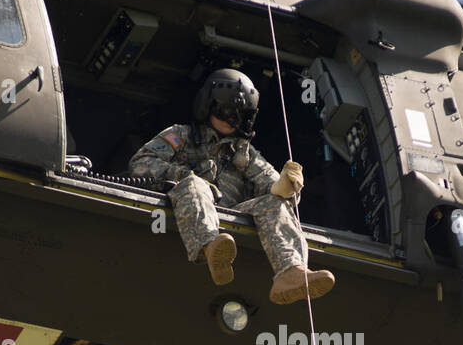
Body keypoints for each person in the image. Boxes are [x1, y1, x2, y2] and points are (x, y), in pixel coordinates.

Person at [128, 69, 335, 304]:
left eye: (238, 116)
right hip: (185, 208)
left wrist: (286, 188)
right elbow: (141, 164)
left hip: (231, 215)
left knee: (275, 202)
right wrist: (187, 176)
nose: (230, 119)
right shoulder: (181, 135)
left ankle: (291, 272)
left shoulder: (245, 152)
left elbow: (272, 186)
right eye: (225, 111)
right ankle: (211, 247)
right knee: (195, 185)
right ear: (208, 105)